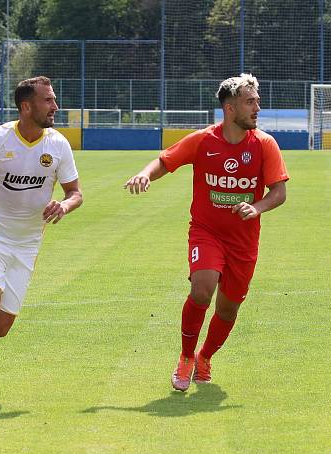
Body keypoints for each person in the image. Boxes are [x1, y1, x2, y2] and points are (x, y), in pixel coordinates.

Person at [124, 73, 289, 392]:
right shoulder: (203, 140)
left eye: (257, 101)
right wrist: (144, 174)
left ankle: (205, 356)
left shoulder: (265, 144)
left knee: (228, 309)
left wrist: (256, 207)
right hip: (206, 232)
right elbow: (165, 161)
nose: (258, 107)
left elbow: (278, 192)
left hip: (244, 241)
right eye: (250, 102)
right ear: (230, 108)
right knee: (202, 288)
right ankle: (185, 358)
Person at [0, 76, 83, 406]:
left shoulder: (58, 145)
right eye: (48, 100)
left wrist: (64, 205)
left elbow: (75, 192)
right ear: (26, 106)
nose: (55, 106)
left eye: (54, 99)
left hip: (26, 245)